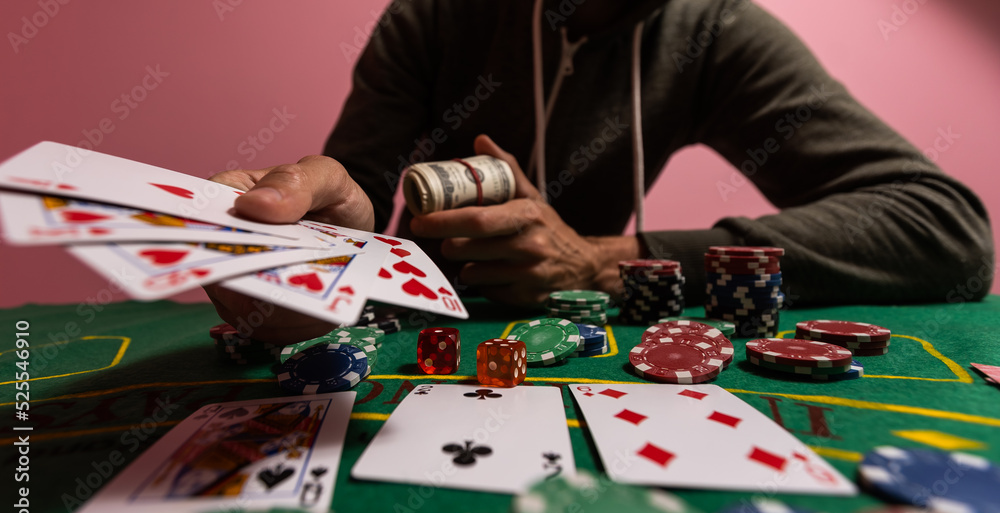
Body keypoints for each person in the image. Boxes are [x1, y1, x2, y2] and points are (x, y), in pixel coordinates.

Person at [206, 0, 993, 344]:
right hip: (422, 337)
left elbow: (948, 231)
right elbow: (359, 191)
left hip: (595, 338)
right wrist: (320, 239)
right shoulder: (438, 13)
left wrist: (604, 261)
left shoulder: (713, 28)